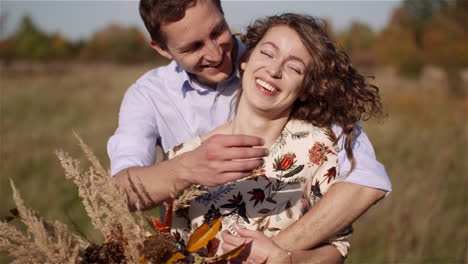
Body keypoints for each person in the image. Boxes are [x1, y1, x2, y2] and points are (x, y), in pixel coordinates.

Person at [107, 0, 391, 261]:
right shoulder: (150, 100)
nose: (216, 54)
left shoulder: (311, 130)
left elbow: (364, 183)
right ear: (161, 48)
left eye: (218, 32)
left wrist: (277, 254)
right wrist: (184, 168)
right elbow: (120, 194)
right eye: (193, 47)